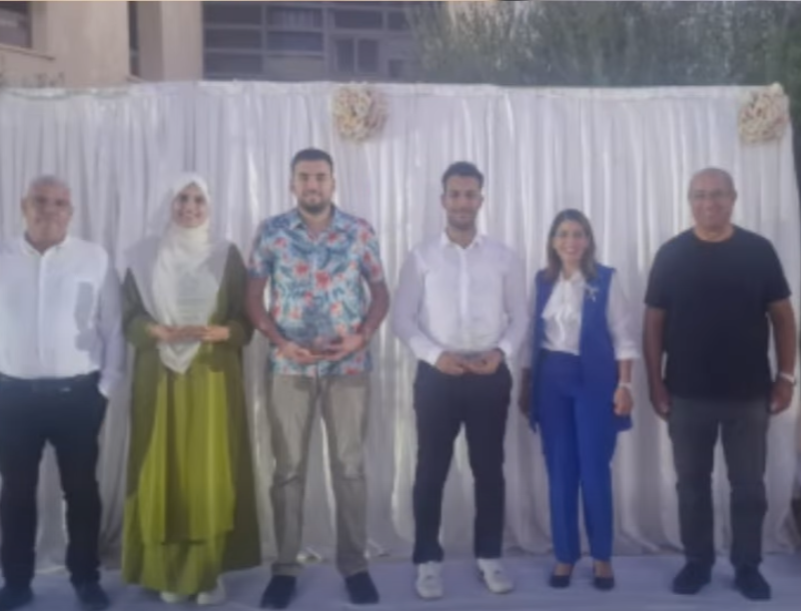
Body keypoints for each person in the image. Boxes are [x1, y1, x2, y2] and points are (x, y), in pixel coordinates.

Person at [643, 167, 797, 601]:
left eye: (717, 194)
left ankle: (748, 566)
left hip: (749, 395)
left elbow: (784, 318)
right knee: (692, 488)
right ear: (689, 201)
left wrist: (787, 376)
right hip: (686, 395)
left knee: (748, 489)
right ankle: (698, 563)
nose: (708, 203)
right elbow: (653, 324)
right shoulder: (671, 254)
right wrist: (655, 383)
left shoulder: (758, 251)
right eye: (699, 195)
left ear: (733, 198)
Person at [246, 148, 390, 609]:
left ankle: (355, 565)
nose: (313, 185)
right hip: (289, 368)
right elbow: (252, 297)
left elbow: (380, 293)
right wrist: (279, 341)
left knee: (349, 468)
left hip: (348, 369)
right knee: (288, 470)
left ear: (333, 182)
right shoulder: (272, 232)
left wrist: (362, 337)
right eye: (305, 177)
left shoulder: (359, 231)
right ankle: (285, 568)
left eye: (320, 177)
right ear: (292, 183)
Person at [120, 174, 261, 605]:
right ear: (169, 203)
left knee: (208, 472)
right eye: (182, 198)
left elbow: (246, 319)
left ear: (210, 206)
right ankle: (165, 572)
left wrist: (225, 331)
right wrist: (154, 330)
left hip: (211, 379)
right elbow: (128, 317)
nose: (190, 207)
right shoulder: (143, 257)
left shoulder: (225, 256)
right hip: (160, 379)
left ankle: (208, 573)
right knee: (160, 473)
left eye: (199, 199)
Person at [392, 162, 527, 600]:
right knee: (431, 469)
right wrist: (436, 357)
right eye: (455, 194)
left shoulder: (504, 257)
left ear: (481, 200)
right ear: (443, 200)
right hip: (438, 376)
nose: (463, 202)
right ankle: (427, 561)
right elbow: (402, 318)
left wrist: (500, 353)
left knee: (489, 469)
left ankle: (489, 556)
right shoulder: (422, 256)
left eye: (470, 194)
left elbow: (520, 317)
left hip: (489, 374)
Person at [0, 176, 126, 611]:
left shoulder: (94, 258)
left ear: (70, 212)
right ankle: (17, 582)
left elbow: (113, 327)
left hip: (78, 396)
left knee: (82, 492)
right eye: (40, 201)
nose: (49, 210)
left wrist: (105, 389)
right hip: (13, 397)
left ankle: (86, 578)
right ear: (24, 206)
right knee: (16, 493)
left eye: (59, 203)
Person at [518, 209, 637, 591]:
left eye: (578, 234)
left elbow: (623, 336)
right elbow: (530, 338)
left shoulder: (606, 279)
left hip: (595, 381)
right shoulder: (541, 282)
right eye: (564, 234)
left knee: (595, 471)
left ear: (588, 240)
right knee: (560, 471)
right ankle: (565, 555)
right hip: (551, 381)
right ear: (553, 242)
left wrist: (625, 385)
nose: (571, 241)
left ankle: (602, 556)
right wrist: (525, 384)